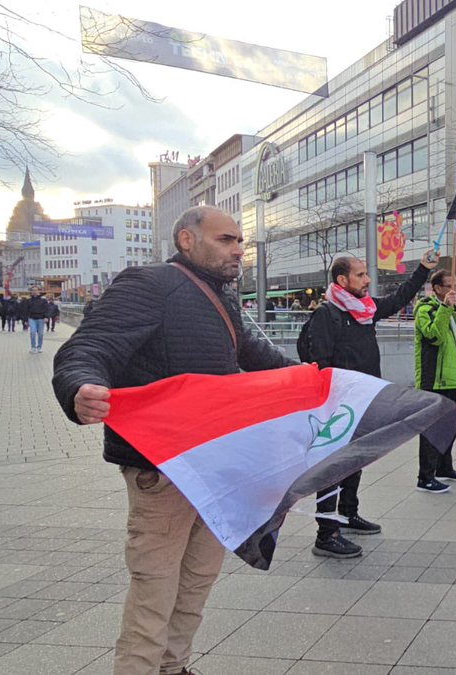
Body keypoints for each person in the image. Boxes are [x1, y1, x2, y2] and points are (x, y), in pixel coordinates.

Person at [52, 205, 291, 675]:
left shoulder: (220, 297)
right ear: (187, 240)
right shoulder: (150, 283)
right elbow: (89, 345)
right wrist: (80, 387)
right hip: (162, 468)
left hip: (214, 465)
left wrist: (313, 379)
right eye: (226, 239)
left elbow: (254, 353)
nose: (238, 249)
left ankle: (173, 667)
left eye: (240, 240)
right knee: (154, 590)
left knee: (198, 579)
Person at [300, 250, 438, 558]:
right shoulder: (327, 314)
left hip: (364, 399)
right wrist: (330, 404)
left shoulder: (364, 309)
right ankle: (326, 533)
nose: (367, 280)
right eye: (361, 275)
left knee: (356, 460)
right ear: (342, 279)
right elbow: (319, 364)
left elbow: (399, 298)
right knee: (333, 467)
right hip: (338, 406)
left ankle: (348, 513)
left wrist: (423, 270)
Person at [414, 270, 456, 492]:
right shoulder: (426, 308)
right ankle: (425, 476)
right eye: (448, 286)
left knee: (448, 424)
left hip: (450, 377)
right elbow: (434, 336)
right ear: (436, 288)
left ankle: (443, 467)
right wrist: (445, 308)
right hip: (433, 378)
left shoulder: (453, 312)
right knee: (431, 428)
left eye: (455, 286)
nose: (453, 290)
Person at [25, 287, 49, 353]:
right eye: (33, 290)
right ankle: (33, 347)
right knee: (32, 332)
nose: (34, 291)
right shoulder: (29, 301)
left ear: (38, 291)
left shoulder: (43, 300)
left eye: (36, 290)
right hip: (32, 318)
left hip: (41, 319)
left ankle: (39, 347)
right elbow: (26, 311)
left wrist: (46, 317)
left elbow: (47, 309)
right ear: (31, 292)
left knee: (40, 334)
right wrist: (25, 320)